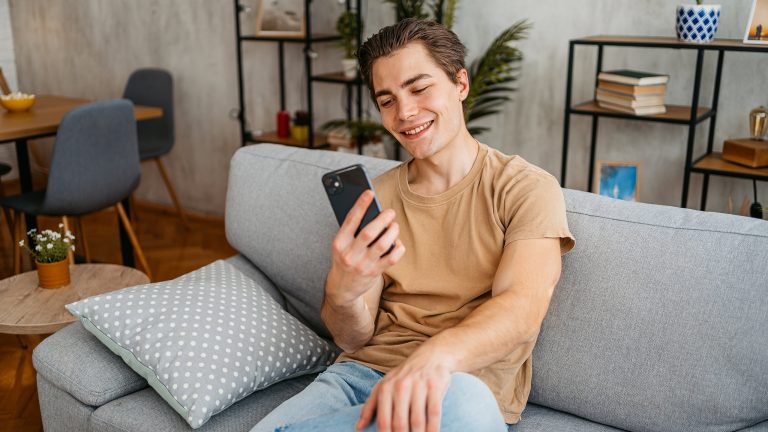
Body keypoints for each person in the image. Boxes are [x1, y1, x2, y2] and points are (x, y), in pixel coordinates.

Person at [251, 18, 574, 432]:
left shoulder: (525, 188)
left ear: (460, 84)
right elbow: (351, 339)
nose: (405, 112)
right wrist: (343, 292)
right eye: (387, 100)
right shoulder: (376, 199)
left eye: (419, 89)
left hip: (457, 387)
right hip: (357, 379)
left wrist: (431, 360)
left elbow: (521, 309)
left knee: (466, 409)